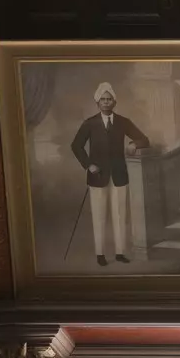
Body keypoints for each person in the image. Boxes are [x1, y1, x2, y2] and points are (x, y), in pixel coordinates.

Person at [71, 82, 154, 267]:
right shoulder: (90, 123)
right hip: (97, 176)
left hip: (119, 175)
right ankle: (100, 254)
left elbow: (144, 139)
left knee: (119, 216)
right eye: (103, 99)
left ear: (114, 102)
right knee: (99, 216)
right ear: (97, 102)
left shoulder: (123, 121)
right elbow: (76, 146)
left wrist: (133, 144)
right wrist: (88, 165)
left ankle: (119, 253)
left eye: (109, 99)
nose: (106, 102)